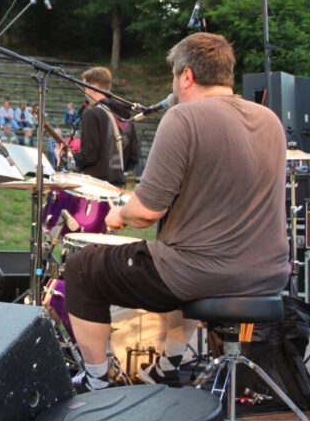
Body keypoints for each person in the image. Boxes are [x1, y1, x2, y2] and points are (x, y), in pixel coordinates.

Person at [64, 33, 290, 391]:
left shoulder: (183, 117)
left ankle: (95, 383)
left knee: (82, 268)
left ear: (186, 76)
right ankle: (166, 368)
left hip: (205, 273)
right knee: (172, 251)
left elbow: (146, 213)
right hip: (269, 275)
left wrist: (119, 214)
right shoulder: (270, 120)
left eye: (174, 75)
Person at [67, 66, 139, 188]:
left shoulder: (92, 113)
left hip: (96, 188)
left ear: (93, 87)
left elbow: (89, 156)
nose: (85, 93)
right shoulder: (125, 115)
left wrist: (67, 157)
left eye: (85, 88)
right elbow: (134, 157)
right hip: (118, 188)